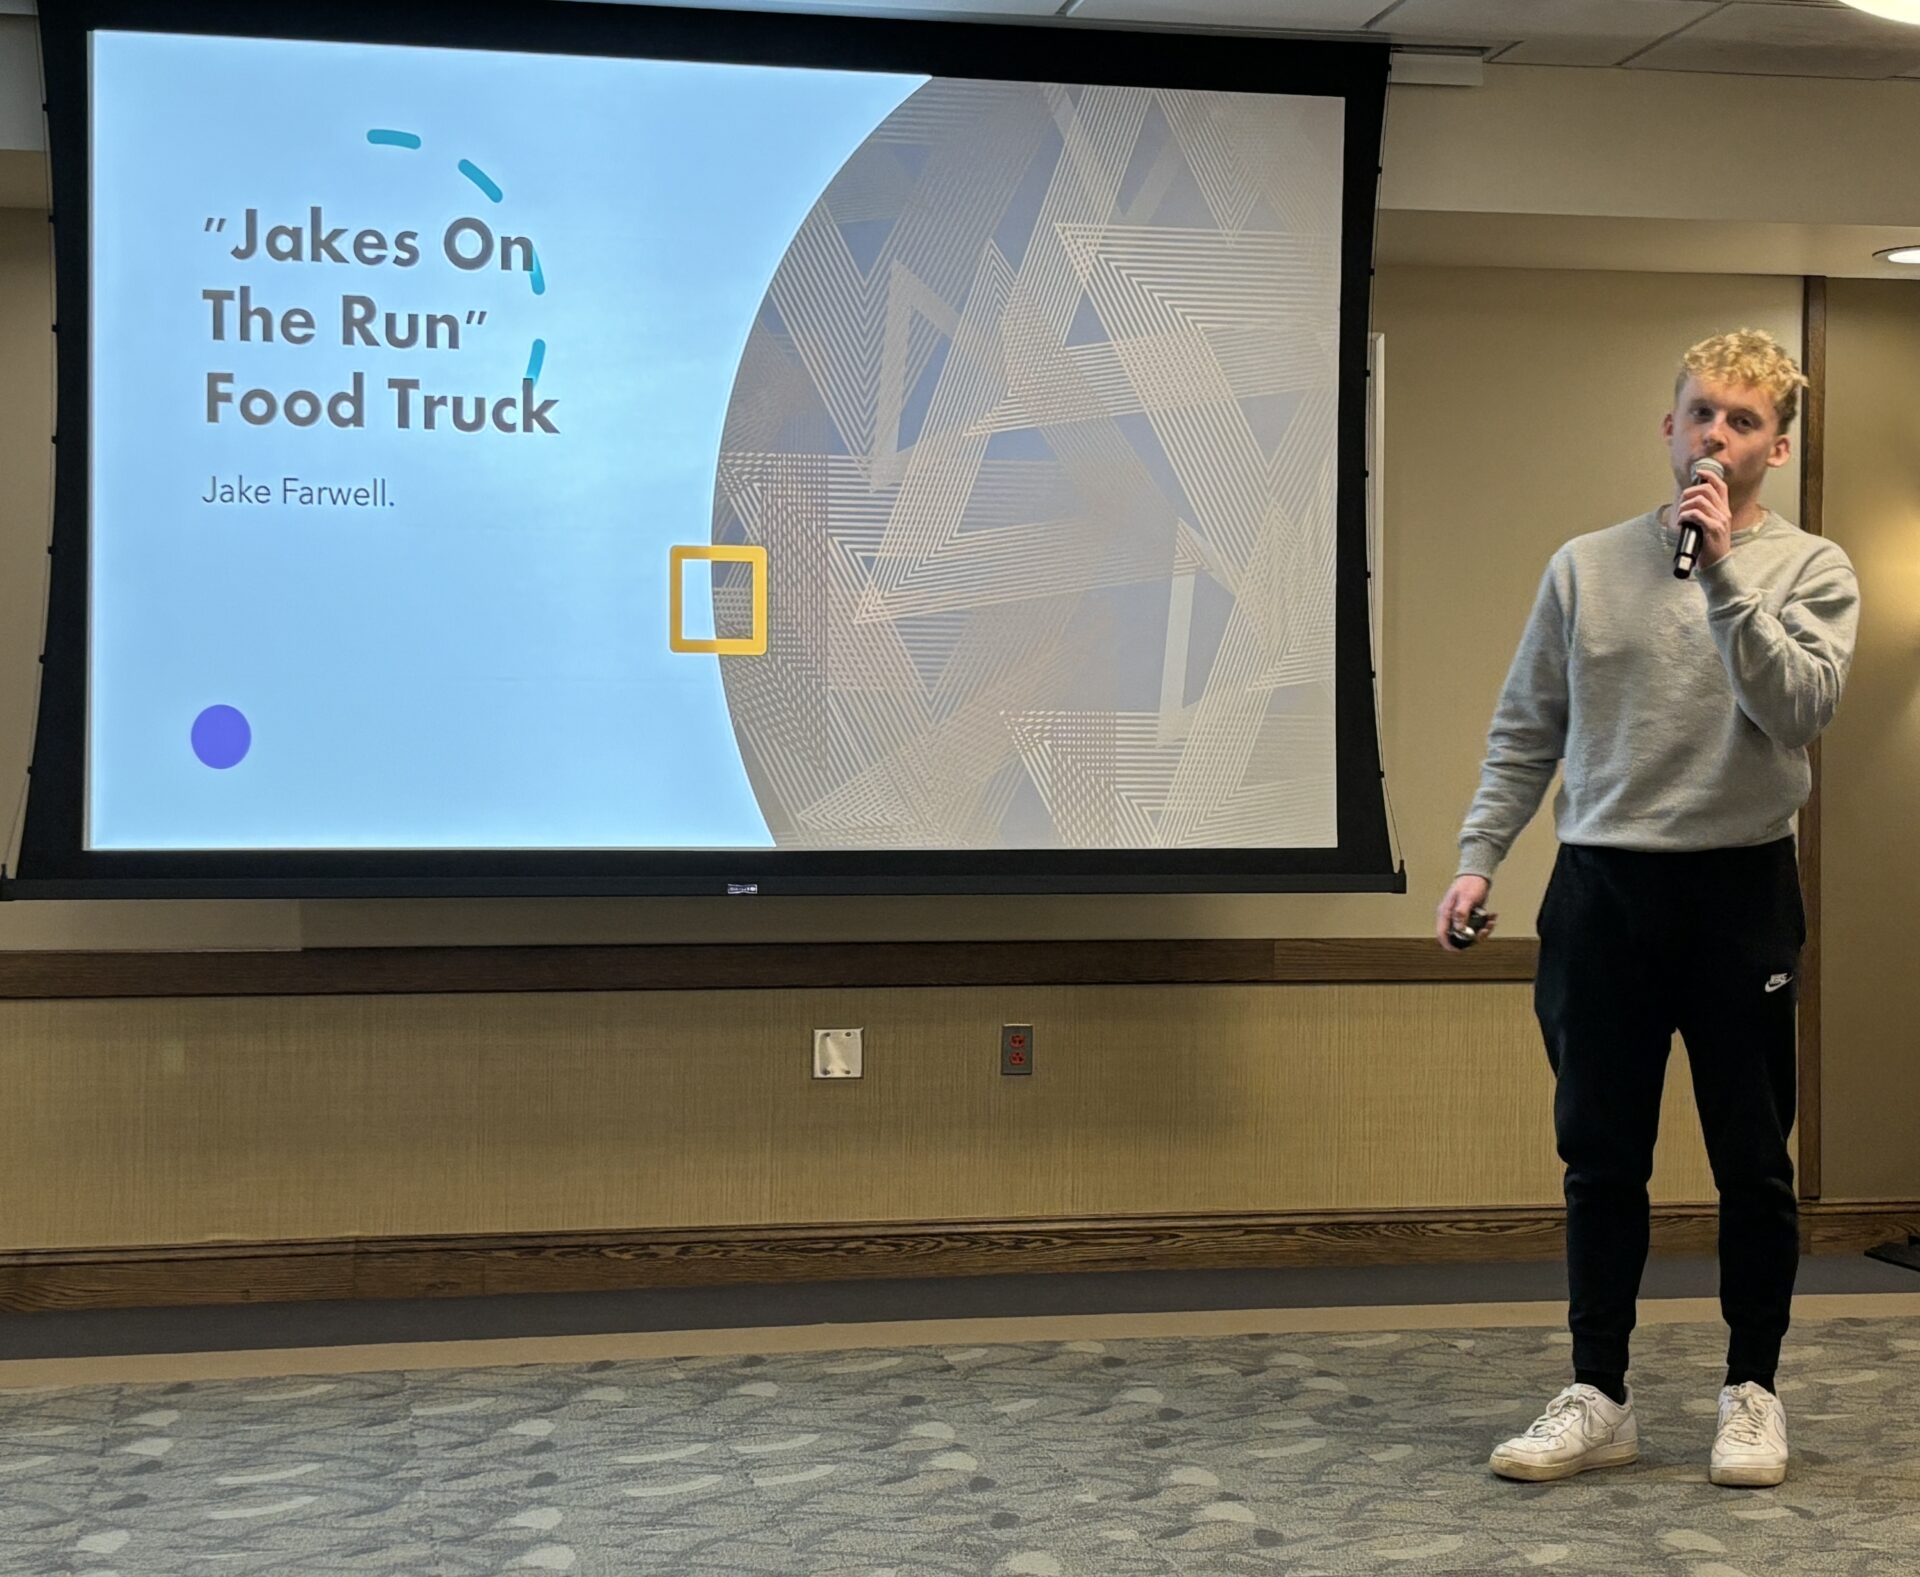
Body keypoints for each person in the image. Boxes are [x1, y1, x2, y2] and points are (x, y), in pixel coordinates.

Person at [1435, 328, 1859, 1488]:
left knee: (1752, 1163)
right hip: (1604, 891)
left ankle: (1752, 1390)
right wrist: (1481, 857)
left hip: (1737, 893)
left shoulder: (1813, 568)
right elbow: (1529, 726)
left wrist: (1723, 574)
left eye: (1739, 420)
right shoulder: (1583, 565)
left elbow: (1799, 712)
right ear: (1667, 427)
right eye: (1698, 414)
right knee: (1600, 1158)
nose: (1714, 436)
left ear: (1774, 442)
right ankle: (1599, 1393)